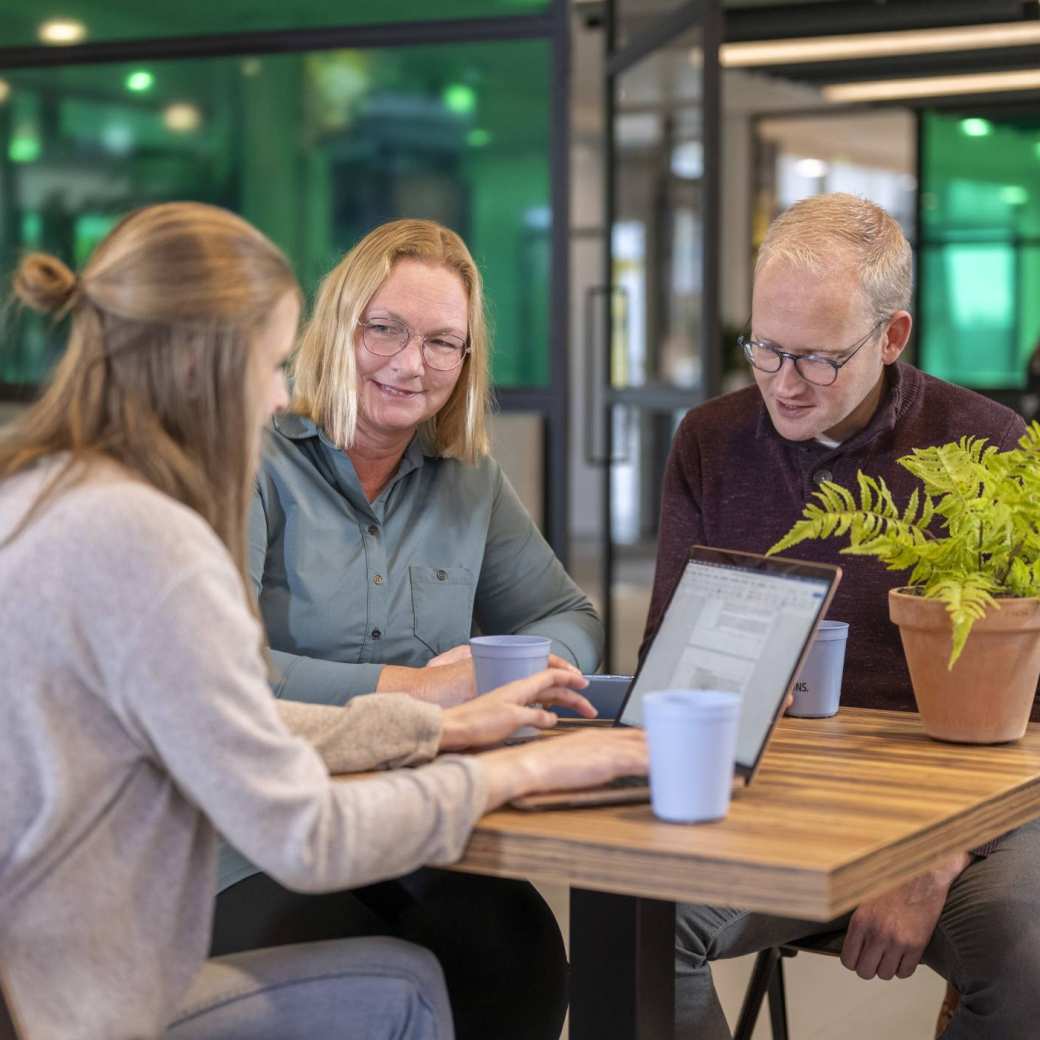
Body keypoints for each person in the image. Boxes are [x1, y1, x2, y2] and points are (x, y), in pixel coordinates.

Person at [0, 202, 648, 1040]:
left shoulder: (45, 490)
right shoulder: (153, 535)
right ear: (203, 362)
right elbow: (301, 828)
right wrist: (516, 771)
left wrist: (438, 729)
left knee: (505, 944)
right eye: (272, 363)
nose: (279, 394)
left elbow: (237, 718)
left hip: (48, 954)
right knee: (412, 980)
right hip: (86, 993)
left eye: (442, 342)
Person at [643, 193, 1040, 1039]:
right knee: (637, 922)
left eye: (819, 360)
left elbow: (1030, 708)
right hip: (774, 800)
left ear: (892, 337)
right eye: (766, 349)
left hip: (954, 814)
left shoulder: (988, 450)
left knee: (1029, 957)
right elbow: (664, 662)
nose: (783, 385)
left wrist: (933, 860)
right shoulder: (709, 440)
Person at [218, 218, 603, 1040]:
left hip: (405, 820)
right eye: (385, 328)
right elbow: (227, 674)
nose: (410, 362)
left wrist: (517, 667)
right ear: (336, 329)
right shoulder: (247, 458)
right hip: (254, 832)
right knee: (373, 978)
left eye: (442, 342)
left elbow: (568, 616)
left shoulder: (470, 482)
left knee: (519, 951)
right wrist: (422, 692)